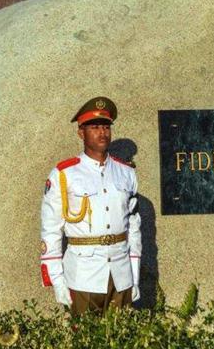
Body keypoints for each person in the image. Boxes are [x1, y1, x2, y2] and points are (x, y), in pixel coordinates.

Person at [39, 96, 142, 316]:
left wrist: (135, 275)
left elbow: (133, 228)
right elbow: (51, 230)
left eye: (106, 127)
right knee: (85, 344)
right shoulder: (64, 174)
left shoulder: (127, 173)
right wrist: (57, 280)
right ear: (81, 133)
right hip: (83, 276)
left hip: (121, 275)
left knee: (121, 343)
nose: (102, 133)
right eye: (94, 127)